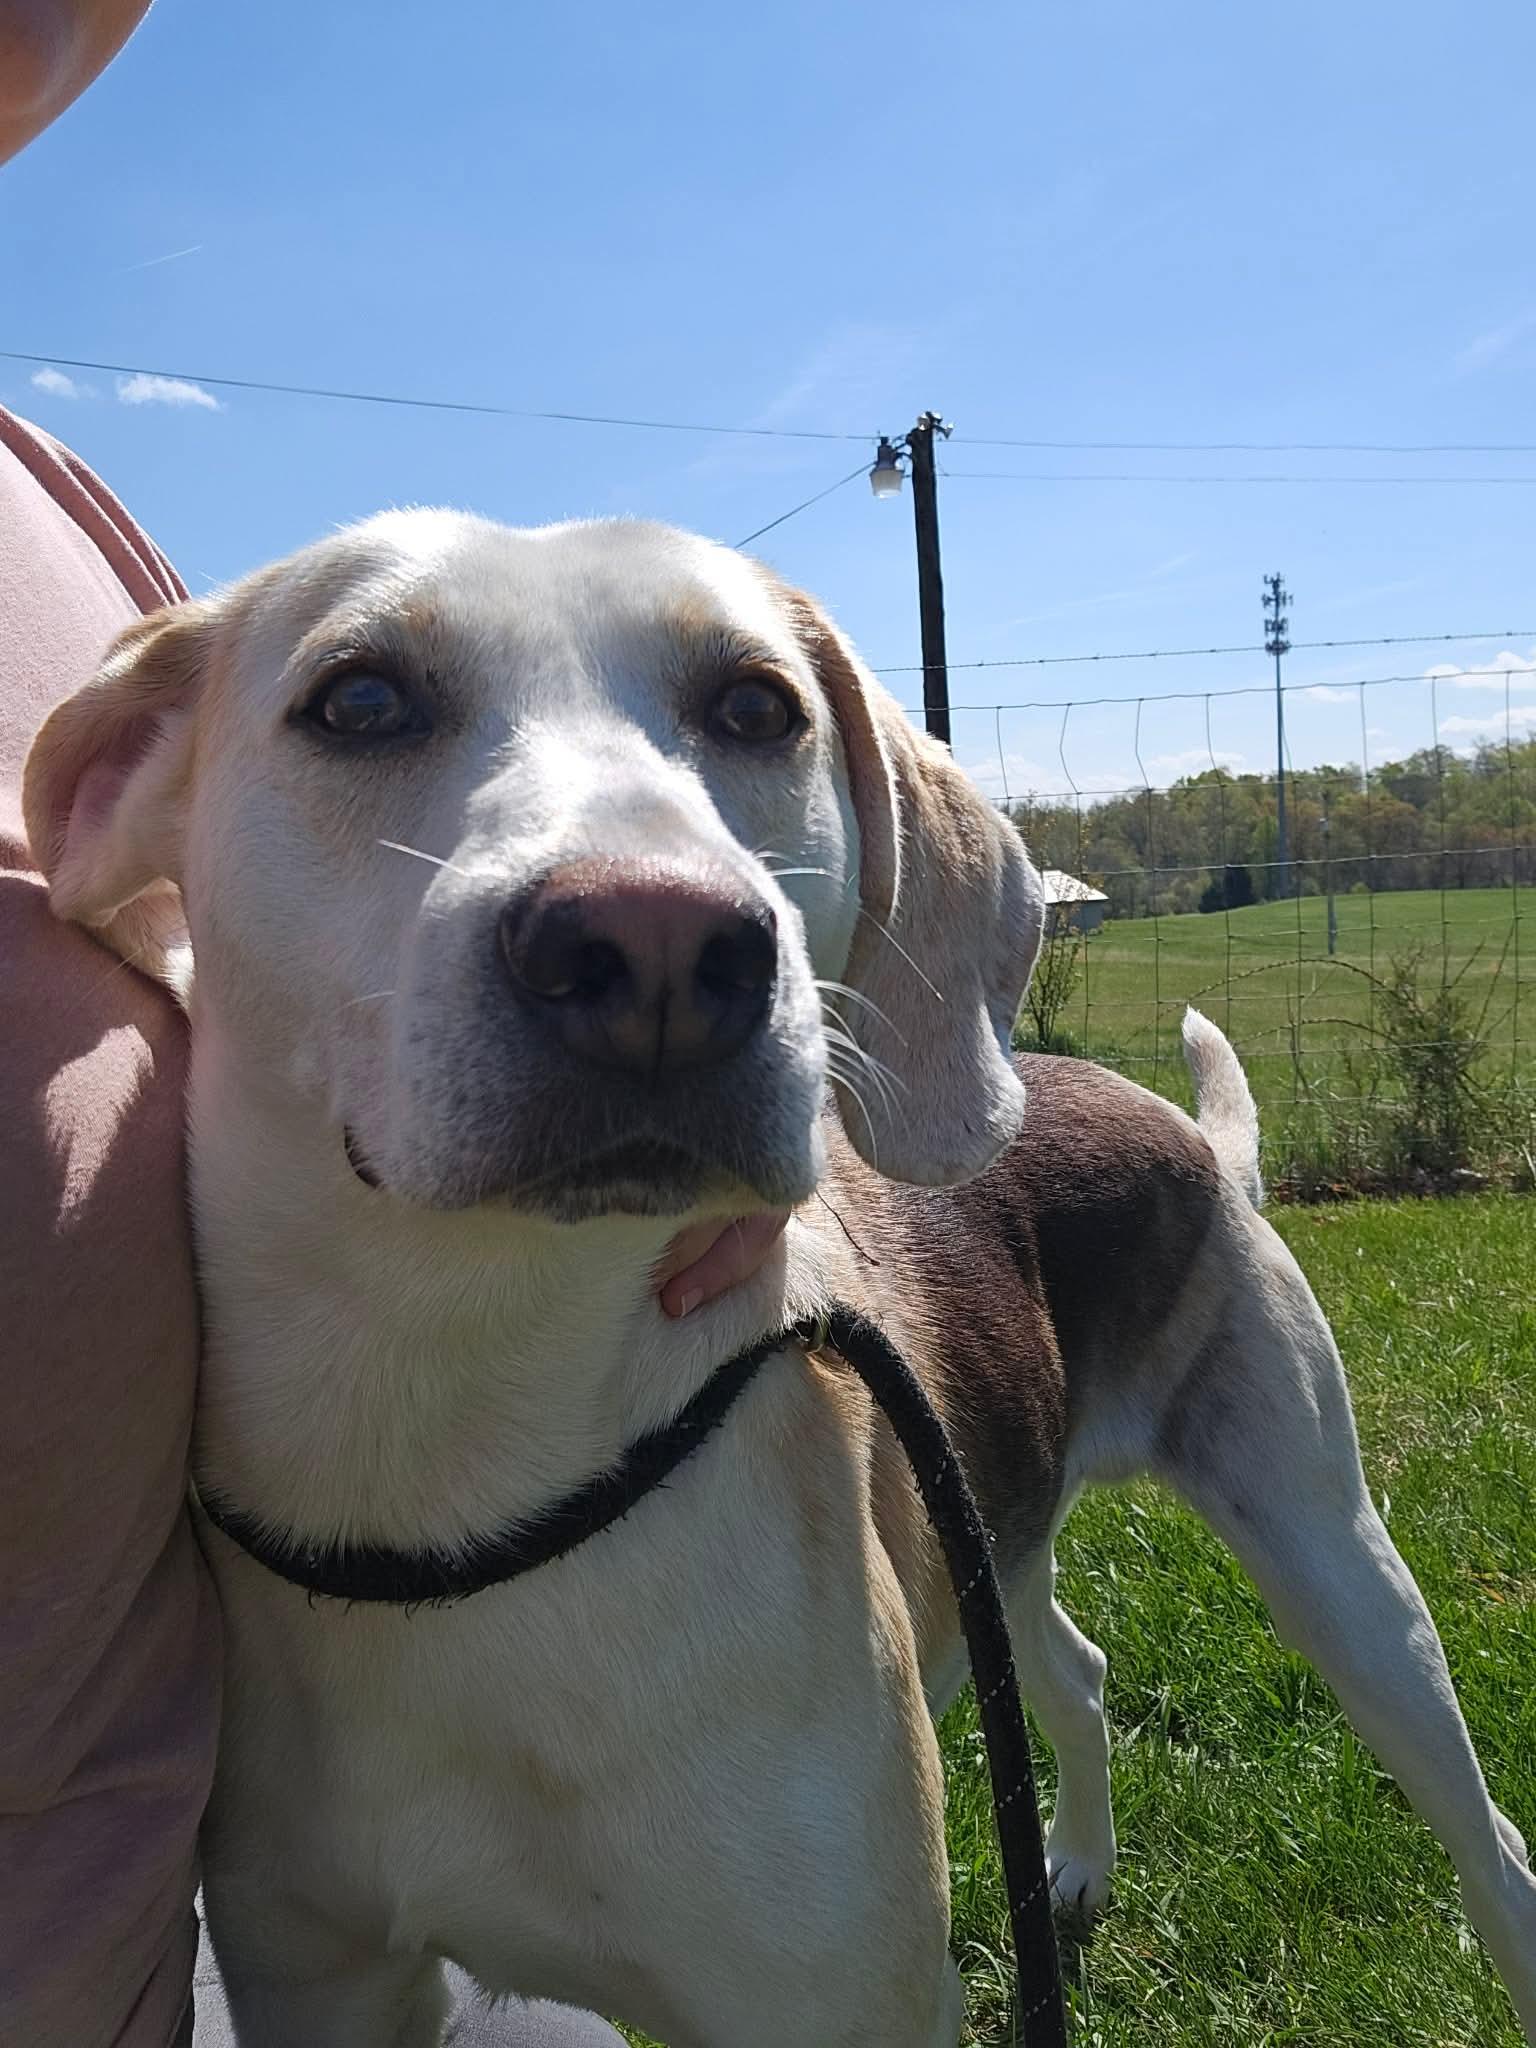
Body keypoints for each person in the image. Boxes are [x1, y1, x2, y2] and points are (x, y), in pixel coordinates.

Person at [0, 10, 785, 2043]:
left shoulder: (83, 533)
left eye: (740, 718)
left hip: (129, 1882)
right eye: (372, 705)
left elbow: (162, 1027)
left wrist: (747, 1119)